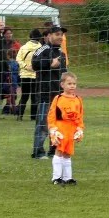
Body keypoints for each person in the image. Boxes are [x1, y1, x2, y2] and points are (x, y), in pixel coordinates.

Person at [31, 24, 68, 159]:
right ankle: (38, 152)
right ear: (49, 36)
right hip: (45, 93)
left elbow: (63, 73)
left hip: (59, 95)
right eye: (57, 34)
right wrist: (49, 63)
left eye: (61, 35)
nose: (60, 37)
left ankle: (54, 150)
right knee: (43, 123)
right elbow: (34, 63)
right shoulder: (43, 49)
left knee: (58, 123)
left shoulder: (61, 53)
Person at [48, 72, 84, 185]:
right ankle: (56, 178)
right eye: (69, 83)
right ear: (62, 85)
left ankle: (67, 178)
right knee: (59, 151)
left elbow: (80, 116)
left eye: (74, 84)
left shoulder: (78, 99)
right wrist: (53, 129)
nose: (72, 86)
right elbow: (51, 115)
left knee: (68, 153)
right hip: (61, 128)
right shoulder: (58, 98)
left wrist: (80, 129)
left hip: (71, 129)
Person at [16, 28, 42, 121]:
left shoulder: (23, 47)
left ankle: (20, 115)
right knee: (34, 97)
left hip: (24, 75)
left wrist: (25, 66)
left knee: (24, 96)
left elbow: (18, 59)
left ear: (30, 36)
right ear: (39, 38)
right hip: (36, 75)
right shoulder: (41, 48)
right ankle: (33, 117)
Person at [2, 49, 19, 115]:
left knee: (10, 96)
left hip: (8, 81)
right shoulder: (16, 63)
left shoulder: (8, 64)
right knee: (12, 96)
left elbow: (7, 72)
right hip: (14, 82)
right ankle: (12, 110)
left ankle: (7, 110)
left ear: (8, 56)